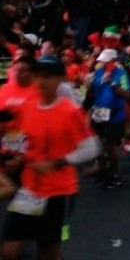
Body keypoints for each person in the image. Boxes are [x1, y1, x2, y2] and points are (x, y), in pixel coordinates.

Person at [0, 55, 101, 260]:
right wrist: (17, 161)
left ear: (60, 80)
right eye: (38, 76)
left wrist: (56, 162)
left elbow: (91, 147)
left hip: (58, 191)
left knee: (48, 251)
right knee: (9, 250)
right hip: (28, 189)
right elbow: (24, 141)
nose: (42, 81)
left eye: (48, 77)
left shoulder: (69, 111)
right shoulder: (28, 106)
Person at [87, 48, 130, 190]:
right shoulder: (98, 73)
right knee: (98, 144)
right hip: (99, 113)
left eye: (106, 62)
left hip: (115, 115)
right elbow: (91, 89)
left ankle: (114, 174)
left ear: (113, 61)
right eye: (102, 62)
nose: (103, 64)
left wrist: (113, 83)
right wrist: (87, 82)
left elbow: (126, 94)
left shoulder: (122, 75)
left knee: (110, 146)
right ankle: (102, 168)